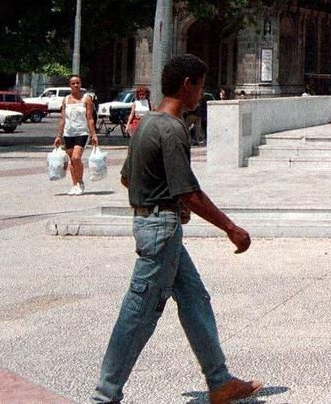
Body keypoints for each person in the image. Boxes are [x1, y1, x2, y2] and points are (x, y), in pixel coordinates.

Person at [90, 54, 261, 404]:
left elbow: (127, 178)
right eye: (200, 86)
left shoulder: (147, 125)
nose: (202, 93)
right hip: (161, 231)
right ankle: (104, 396)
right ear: (187, 85)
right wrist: (231, 228)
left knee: (195, 299)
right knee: (139, 313)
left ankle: (219, 382)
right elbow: (189, 191)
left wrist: (167, 203)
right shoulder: (172, 129)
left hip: (154, 222)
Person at [53, 75, 98, 195]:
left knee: (76, 158)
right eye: (73, 83)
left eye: (78, 83)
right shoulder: (66, 99)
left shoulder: (86, 98)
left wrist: (94, 135)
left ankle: (80, 183)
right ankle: (75, 185)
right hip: (69, 133)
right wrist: (59, 135)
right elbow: (62, 118)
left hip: (82, 132)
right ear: (70, 85)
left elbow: (89, 118)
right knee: (71, 160)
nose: (76, 85)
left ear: (81, 84)